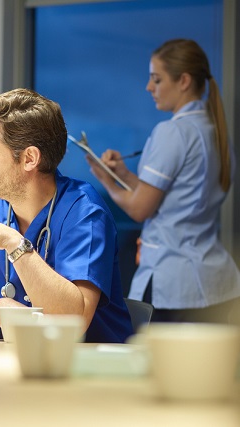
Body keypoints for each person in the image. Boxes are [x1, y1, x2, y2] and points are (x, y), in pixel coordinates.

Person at [0, 88, 133, 343]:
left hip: (91, 370)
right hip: (17, 366)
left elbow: (72, 323)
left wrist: (15, 244)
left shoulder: (84, 212)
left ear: (30, 158)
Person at [88, 39, 240, 323]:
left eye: (156, 79)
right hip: (216, 281)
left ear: (183, 81)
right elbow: (171, 195)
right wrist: (122, 175)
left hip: (175, 284)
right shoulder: (215, 131)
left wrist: (104, 179)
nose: (149, 87)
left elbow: (140, 209)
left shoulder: (173, 132)